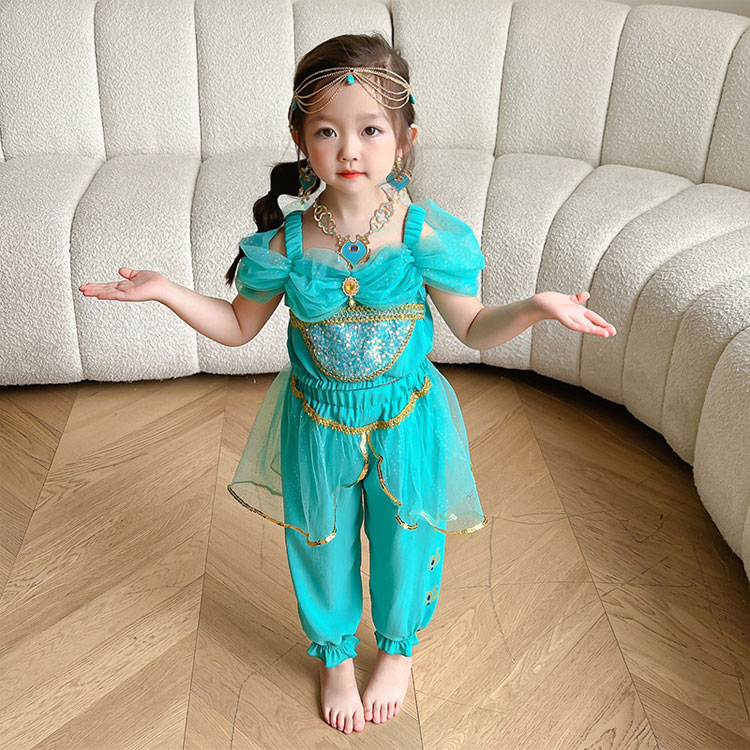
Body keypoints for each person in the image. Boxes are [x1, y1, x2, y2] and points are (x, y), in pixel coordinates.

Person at [79, 32, 616, 737]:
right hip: (317, 424)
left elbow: (474, 327)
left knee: (405, 540)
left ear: (405, 140)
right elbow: (238, 326)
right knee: (320, 544)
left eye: (370, 130)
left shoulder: (424, 236)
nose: (349, 150)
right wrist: (166, 291)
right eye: (327, 131)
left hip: (406, 422)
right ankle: (334, 655)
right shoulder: (287, 243)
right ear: (301, 139)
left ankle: (396, 650)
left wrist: (537, 307)